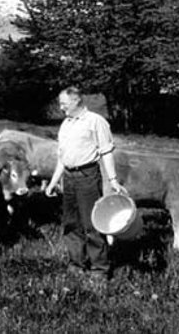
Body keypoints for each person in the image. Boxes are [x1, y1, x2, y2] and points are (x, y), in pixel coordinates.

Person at [45, 86, 127, 285]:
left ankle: (99, 269)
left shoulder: (96, 122)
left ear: (76, 101)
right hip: (69, 177)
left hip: (87, 176)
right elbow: (62, 157)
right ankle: (77, 264)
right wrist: (53, 182)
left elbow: (106, 152)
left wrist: (113, 179)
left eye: (64, 103)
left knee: (92, 223)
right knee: (71, 223)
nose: (61, 107)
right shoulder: (66, 124)